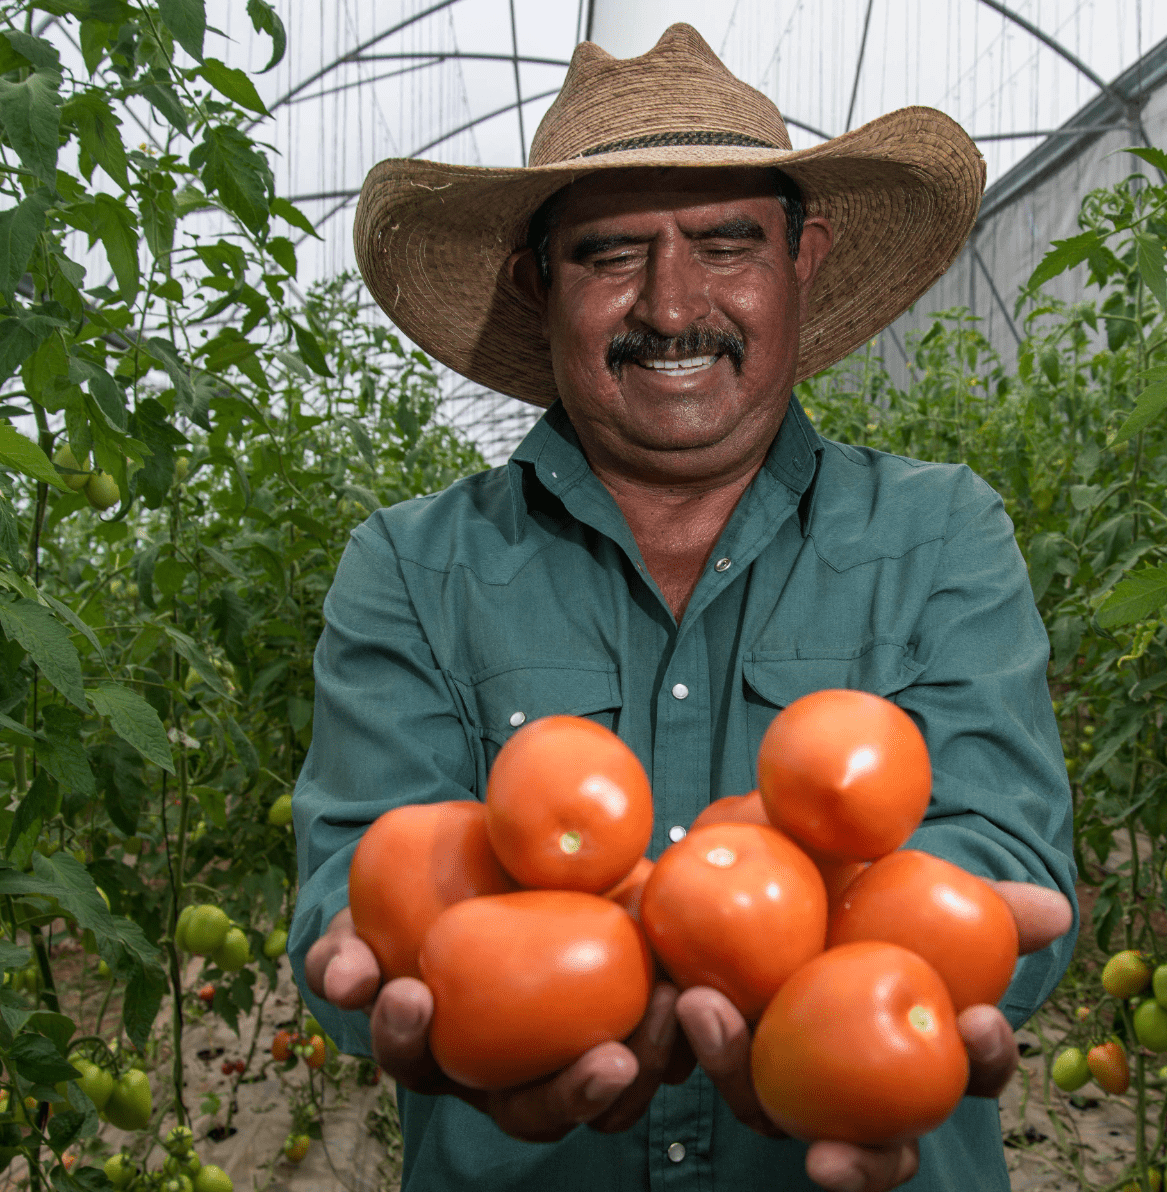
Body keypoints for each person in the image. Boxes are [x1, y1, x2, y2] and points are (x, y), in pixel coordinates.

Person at [292, 23, 1077, 1192]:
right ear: (536, 280)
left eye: (724, 243)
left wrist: (877, 974)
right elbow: (360, 888)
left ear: (801, 258)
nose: (671, 305)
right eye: (611, 254)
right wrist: (448, 978)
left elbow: (996, 844)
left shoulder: (940, 534)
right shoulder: (415, 566)